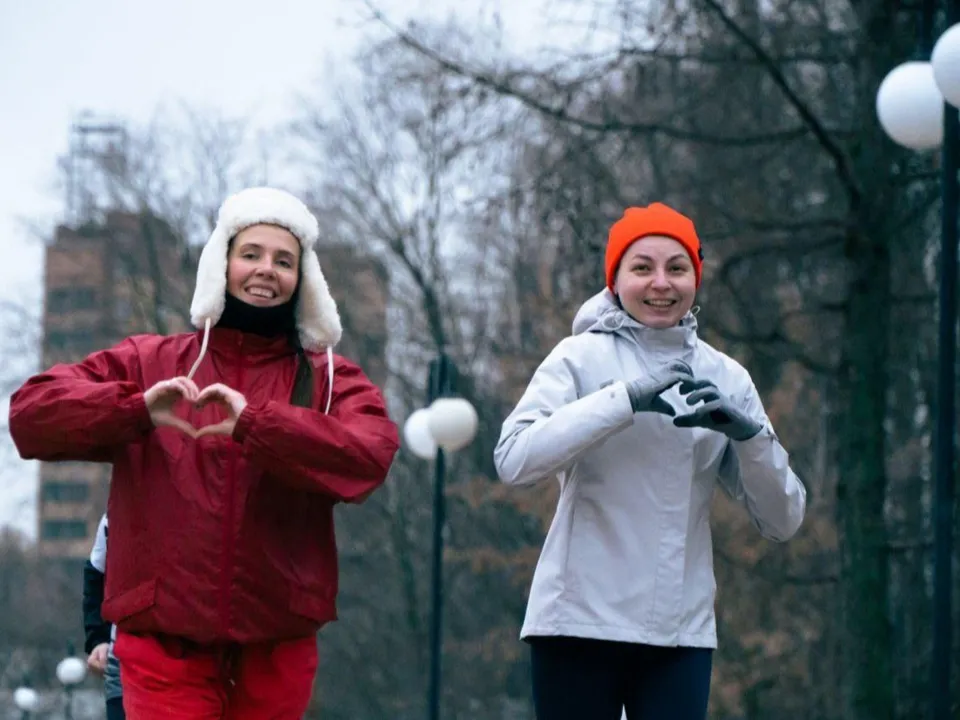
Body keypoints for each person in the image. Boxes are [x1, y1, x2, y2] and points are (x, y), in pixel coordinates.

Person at [10, 187, 400, 719]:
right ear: (221, 264)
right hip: (163, 644)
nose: (266, 270)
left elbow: (371, 454)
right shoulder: (150, 361)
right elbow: (30, 415)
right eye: (250, 254)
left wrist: (258, 425)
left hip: (277, 644)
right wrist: (135, 409)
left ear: (303, 280)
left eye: (284, 261)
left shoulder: (331, 378)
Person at [493, 202, 807, 720]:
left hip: (679, 635)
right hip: (577, 623)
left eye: (677, 268)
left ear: (695, 280)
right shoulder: (577, 357)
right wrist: (624, 400)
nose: (661, 283)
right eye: (642, 267)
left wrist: (750, 437)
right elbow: (514, 459)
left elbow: (783, 519)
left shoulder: (728, 377)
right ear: (615, 281)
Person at [83, 514, 125, 720]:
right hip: (124, 660)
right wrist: (98, 639)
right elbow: (95, 574)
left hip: (192, 657)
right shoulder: (113, 516)